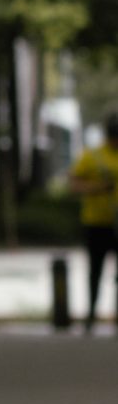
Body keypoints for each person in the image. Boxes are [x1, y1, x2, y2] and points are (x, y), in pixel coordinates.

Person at [73, 123, 118, 331]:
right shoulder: (92, 156)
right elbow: (74, 184)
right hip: (96, 222)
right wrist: (98, 188)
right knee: (95, 271)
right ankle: (91, 315)